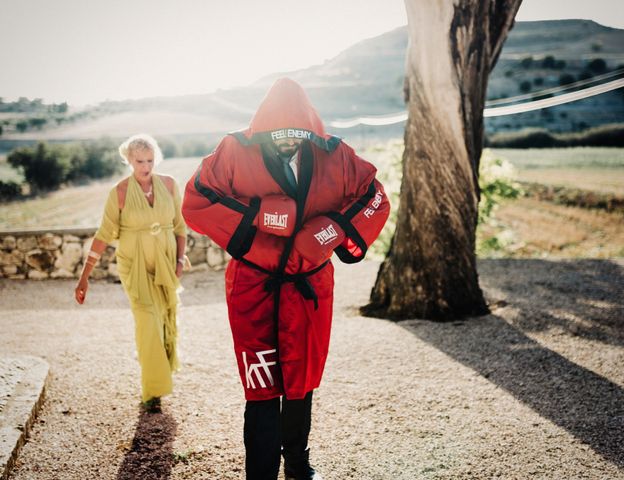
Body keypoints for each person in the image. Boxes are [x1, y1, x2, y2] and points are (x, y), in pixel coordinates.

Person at [182, 78, 390, 480]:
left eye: (296, 135)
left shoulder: (337, 154)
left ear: (309, 131)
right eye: (278, 136)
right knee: (261, 383)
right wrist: (258, 215)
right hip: (254, 286)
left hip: (309, 287)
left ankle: (297, 462)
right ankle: (260, 473)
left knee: (301, 377)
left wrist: (333, 229)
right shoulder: (233, 150)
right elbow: (196, 199)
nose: (287, 143)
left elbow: (375, 197)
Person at [74, 133, 187, 411]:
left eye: (150, 160)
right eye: (139, 161)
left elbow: (180, 227)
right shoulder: (120, 192)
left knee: (163, 321)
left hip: (165, 263)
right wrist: (84, 276)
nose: (145, 166)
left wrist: (180, 260)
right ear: (129, 159)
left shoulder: (170, 185)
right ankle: (152, 392)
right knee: (147, 322)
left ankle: (159, 377)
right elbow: (103, 235)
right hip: (133, 267)